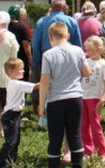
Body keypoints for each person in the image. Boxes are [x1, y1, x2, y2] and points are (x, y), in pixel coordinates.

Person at [39, 22, 91, 168]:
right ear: (67, 35)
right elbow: (87, 72)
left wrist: (41, 105)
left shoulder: (48, 54)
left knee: (55, 137)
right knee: (74, 133)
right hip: (75, 98)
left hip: (55, 99)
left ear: (50, 37)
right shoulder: (78, 50)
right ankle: (77, 164)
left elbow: (44, 81)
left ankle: (54, 165)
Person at [0, 58, 38, 168]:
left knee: (15, 140)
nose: (23, 71)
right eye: (20, 69)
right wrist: (48, 79)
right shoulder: (16, 84)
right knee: (11, 141)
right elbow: (37, 86)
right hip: (11, 116)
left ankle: (12, 160)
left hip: (15, 115)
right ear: (11, 72)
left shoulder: (15, 83)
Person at [32, 0, 82, 73]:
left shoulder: (41, 22)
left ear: (51, 6)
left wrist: (36, 63)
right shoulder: (72, 22)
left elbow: (35, 45)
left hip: (47, 60)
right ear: (64, 7)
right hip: (67, 61)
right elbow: (78, 44)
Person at [81, 36, 105, 162]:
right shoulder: (85, 62)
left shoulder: (103, 65)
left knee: (95, 126)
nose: (87, 52)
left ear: (98, 49)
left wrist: (103, 99)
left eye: (90, 49)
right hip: (82, 97)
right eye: (86, 49)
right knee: (83, 126)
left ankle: (103, 154)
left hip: (95, 98)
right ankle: (88, 151)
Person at [8, 5, 32, 81]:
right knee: (21, 79)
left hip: (9, 57)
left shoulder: (5, 26)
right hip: (21, 58)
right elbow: (26, 45)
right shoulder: (22, 27)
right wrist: (29, 57)